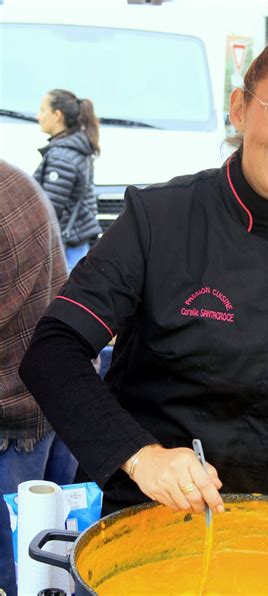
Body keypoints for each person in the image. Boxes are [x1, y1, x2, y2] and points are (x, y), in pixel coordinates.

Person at [20, 0, 268, 519]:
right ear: (239, 108)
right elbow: (52, 351)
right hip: (144, 509)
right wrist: (143, 458)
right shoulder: (158, 217)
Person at [0, 161, 70, 595]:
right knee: (53, 558)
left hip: (13, 424)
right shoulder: (15, 179)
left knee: (20, 568)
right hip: (55, 395)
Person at [33, 89, 103, 271]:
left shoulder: (62, 156)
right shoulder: (77, 148)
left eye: (42, 110)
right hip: (77, 242)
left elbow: (49, 209)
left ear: (57, 115)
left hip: (66, 248)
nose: (38, 116)